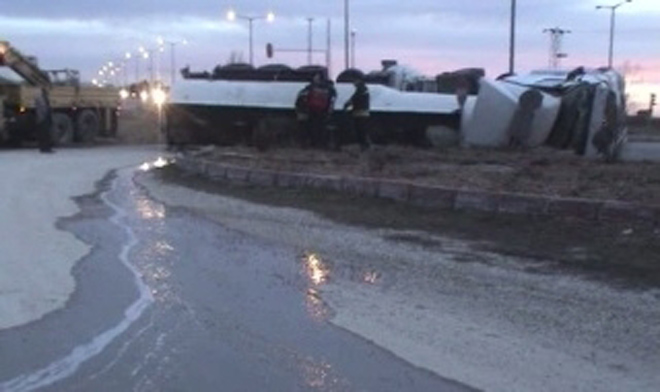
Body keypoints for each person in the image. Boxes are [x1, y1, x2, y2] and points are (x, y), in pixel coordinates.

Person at [304, 73, 336, 148]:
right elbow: (333, 97)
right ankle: (322, 143)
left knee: (313, 126)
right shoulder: (328, 87)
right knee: (322, 127)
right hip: (324, 110)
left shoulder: (311, 86)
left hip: (312, 109)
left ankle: (314, 143)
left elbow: (305, 95)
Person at [343, 78, 370, 151]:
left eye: (355, 81)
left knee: (361, 130)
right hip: (362, 112)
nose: (353, 83)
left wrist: (347, 105)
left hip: (360, 112)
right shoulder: (363, 90)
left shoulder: (361, 91)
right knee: (361, 130)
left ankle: (364, 145)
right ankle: (364, 144)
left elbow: (354, 99)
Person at [34, 87, 54, 153]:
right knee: (45, 134)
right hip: (43, 118)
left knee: (43, 134)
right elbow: (44, 108)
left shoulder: (41, 98)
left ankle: (44, 148)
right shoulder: (41, 98)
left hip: (42, 118)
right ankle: (46, 148)